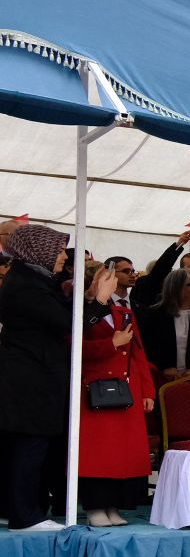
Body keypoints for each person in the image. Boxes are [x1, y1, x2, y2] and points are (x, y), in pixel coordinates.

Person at [0, 223, 73, 530]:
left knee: (26, 446)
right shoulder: (27, 285)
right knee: (30, 445)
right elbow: (66, 322)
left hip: (32, 374)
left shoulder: (35, 281)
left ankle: (17, 509)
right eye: (59, 250)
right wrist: (95, 299)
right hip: (29, 377)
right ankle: (25, 515)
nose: (64, 257)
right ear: (38, 250)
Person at [76, 263, 157, 526]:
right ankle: (94, 507)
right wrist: (110, 343)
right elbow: (72, 347)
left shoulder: (124, 312)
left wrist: (147, 390)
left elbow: (138, 354)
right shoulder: (79, 309)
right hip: (94, 390)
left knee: (122, 452)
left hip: (126, 389)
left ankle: (114, 505)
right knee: (97, 452)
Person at [138, 267, 190, 382]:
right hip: (161, 377)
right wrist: (164, 366)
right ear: (178, 288)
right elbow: (146, 345)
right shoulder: (154, 314)